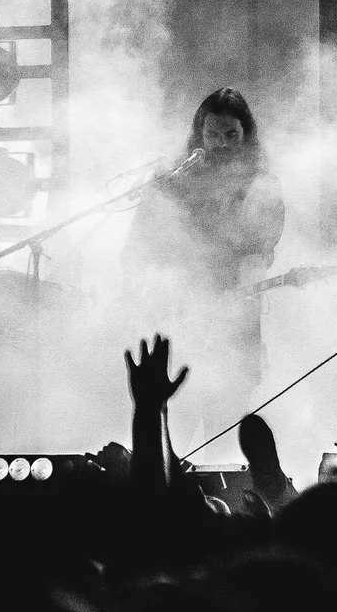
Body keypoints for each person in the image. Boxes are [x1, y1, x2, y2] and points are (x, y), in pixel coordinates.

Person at [122, 89, 286, 424]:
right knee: (175, 421)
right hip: (176, 317)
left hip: (233, 318)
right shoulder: (174, 176)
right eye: (212, 135)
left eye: (231, 135)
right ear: (199, 135)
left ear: (246, 136)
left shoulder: (262, 183)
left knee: (224, 425)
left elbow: (262, 248)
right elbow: (140, 240)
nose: (221, 144)